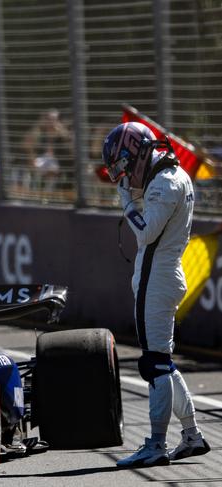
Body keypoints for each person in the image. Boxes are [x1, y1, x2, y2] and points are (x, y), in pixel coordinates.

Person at [102, 122, 210, 468]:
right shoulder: (174, 176)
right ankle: (192, 434)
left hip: (158, 278)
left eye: (123, 165)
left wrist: (124, 202)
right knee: (162, 361)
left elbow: (146, 232)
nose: (125, 177)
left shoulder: (164, 182)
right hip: (163, 274)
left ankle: (155, 444)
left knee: (154, 364)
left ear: (135, 153)